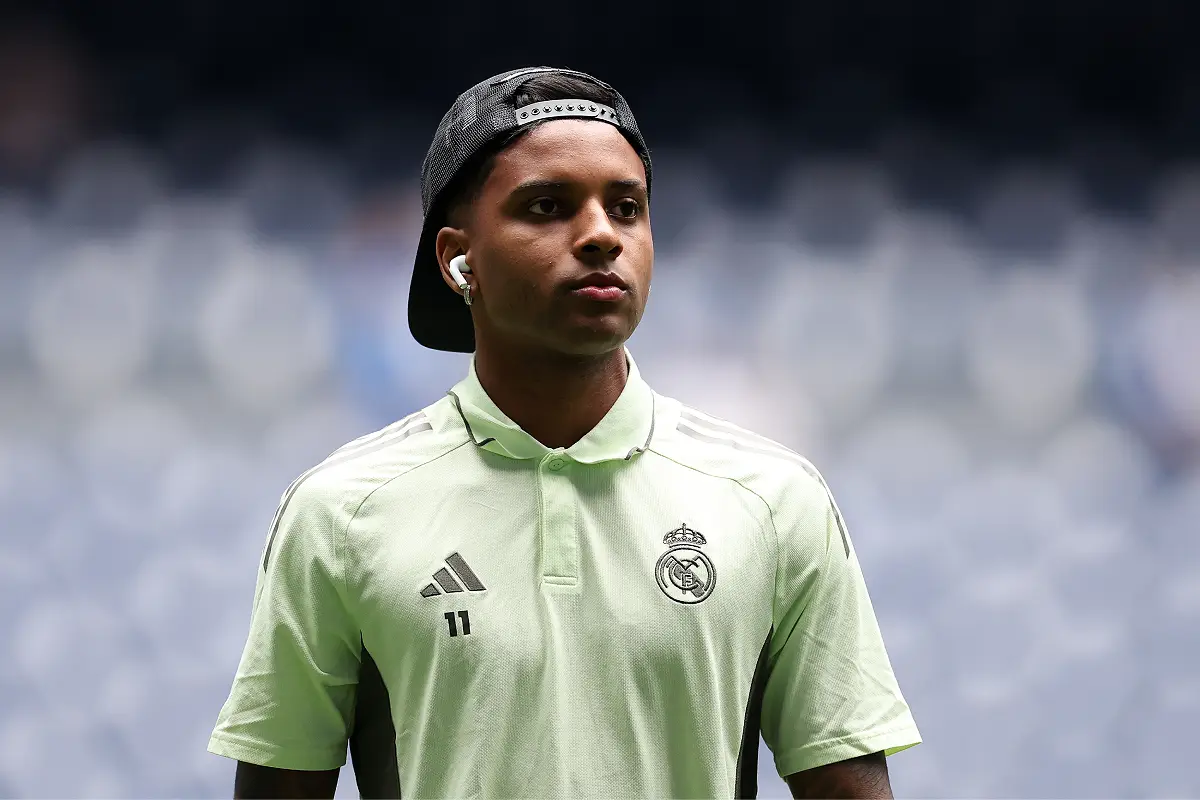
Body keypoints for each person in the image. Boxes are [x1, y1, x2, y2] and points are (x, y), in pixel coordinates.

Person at [208, 66, 921, 799]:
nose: (600, 236)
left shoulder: (775, 502)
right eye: (547, 207)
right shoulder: (339, 514)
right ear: (459, 259)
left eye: (627, 208)